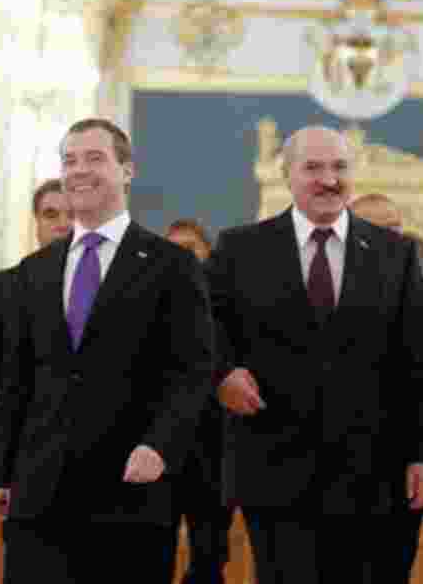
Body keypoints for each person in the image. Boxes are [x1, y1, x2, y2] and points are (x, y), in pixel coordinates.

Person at [205, 125, 423, 584]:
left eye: (339, 167)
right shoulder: (241, 249)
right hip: (274, 471)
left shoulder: (394, 255)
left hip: (373, 474)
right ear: (288, 175)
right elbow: (201, 324)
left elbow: (420, 366)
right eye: (313, 167)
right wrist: (223, 373)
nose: (329, 179)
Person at [0, 119, 215, 584]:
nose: (79, 171)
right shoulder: (33, 272)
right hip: (39, 494)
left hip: (131, 493)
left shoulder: (171, 266)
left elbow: (191, 370)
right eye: (70, 161)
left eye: (95, 158)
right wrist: (0, 475)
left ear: (127, 170)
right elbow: (17, 382)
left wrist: (159, 444)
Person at [350, 193, 423, 582]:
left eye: (397, 230)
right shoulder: (322, 293)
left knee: (392, 570)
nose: (394, 239)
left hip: (406, 469)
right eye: (380, 230)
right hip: (334, 470)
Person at [0, 180, 72, 475]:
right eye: (51, 215)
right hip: (20, 448)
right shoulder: (5, 286)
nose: (63, 224)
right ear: (36, 222)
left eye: (72, 214)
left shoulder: (108, 282)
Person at [163, 219, 235, 584]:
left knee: (208, 559)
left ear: (208, 254)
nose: (182, 255)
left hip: (214, 452)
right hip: (159, 453)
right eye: (173, 248)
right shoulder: (146, 304)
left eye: (190, 247)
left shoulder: (228, 306)